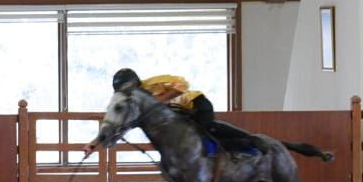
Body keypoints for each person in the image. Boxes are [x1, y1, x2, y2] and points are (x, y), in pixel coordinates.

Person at [96, 67, 261, 153]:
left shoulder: (152, 84)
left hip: (195, 103)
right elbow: (128, 122)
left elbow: (183, 84)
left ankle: (249, 142)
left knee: (207, 128)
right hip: (181, 115)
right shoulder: (138, 102)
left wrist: (160, 99)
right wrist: (97, 142)